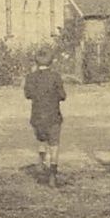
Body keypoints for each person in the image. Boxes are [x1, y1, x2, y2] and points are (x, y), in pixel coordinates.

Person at [23, 47, 66, 185]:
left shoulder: (30, 77)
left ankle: (41, 164)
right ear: (51, 62)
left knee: (41, 141)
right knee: (54, 144)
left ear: (36, 62)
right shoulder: (55, 77)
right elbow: (63, 96)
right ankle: (53, 173)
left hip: (37, 116)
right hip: (53, 115)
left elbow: (27, 95)